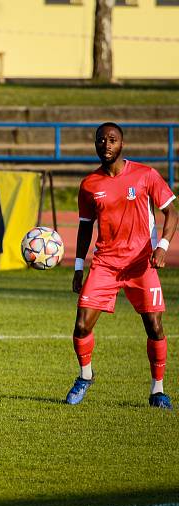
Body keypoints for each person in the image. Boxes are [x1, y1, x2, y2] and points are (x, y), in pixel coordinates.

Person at [67, 122, 177, 409]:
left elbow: (171, 213)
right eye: (101, 140)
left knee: (154, 327)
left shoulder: (145, 175)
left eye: (112, 140)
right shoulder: (89, 184)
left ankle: (157, 391)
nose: (106, 145)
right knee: (81, 326)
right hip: (105, 265)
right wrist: (79, 266)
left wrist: (162, 247)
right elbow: (84, 228)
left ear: (122, 144)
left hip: (141, 264)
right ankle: (85, 376)